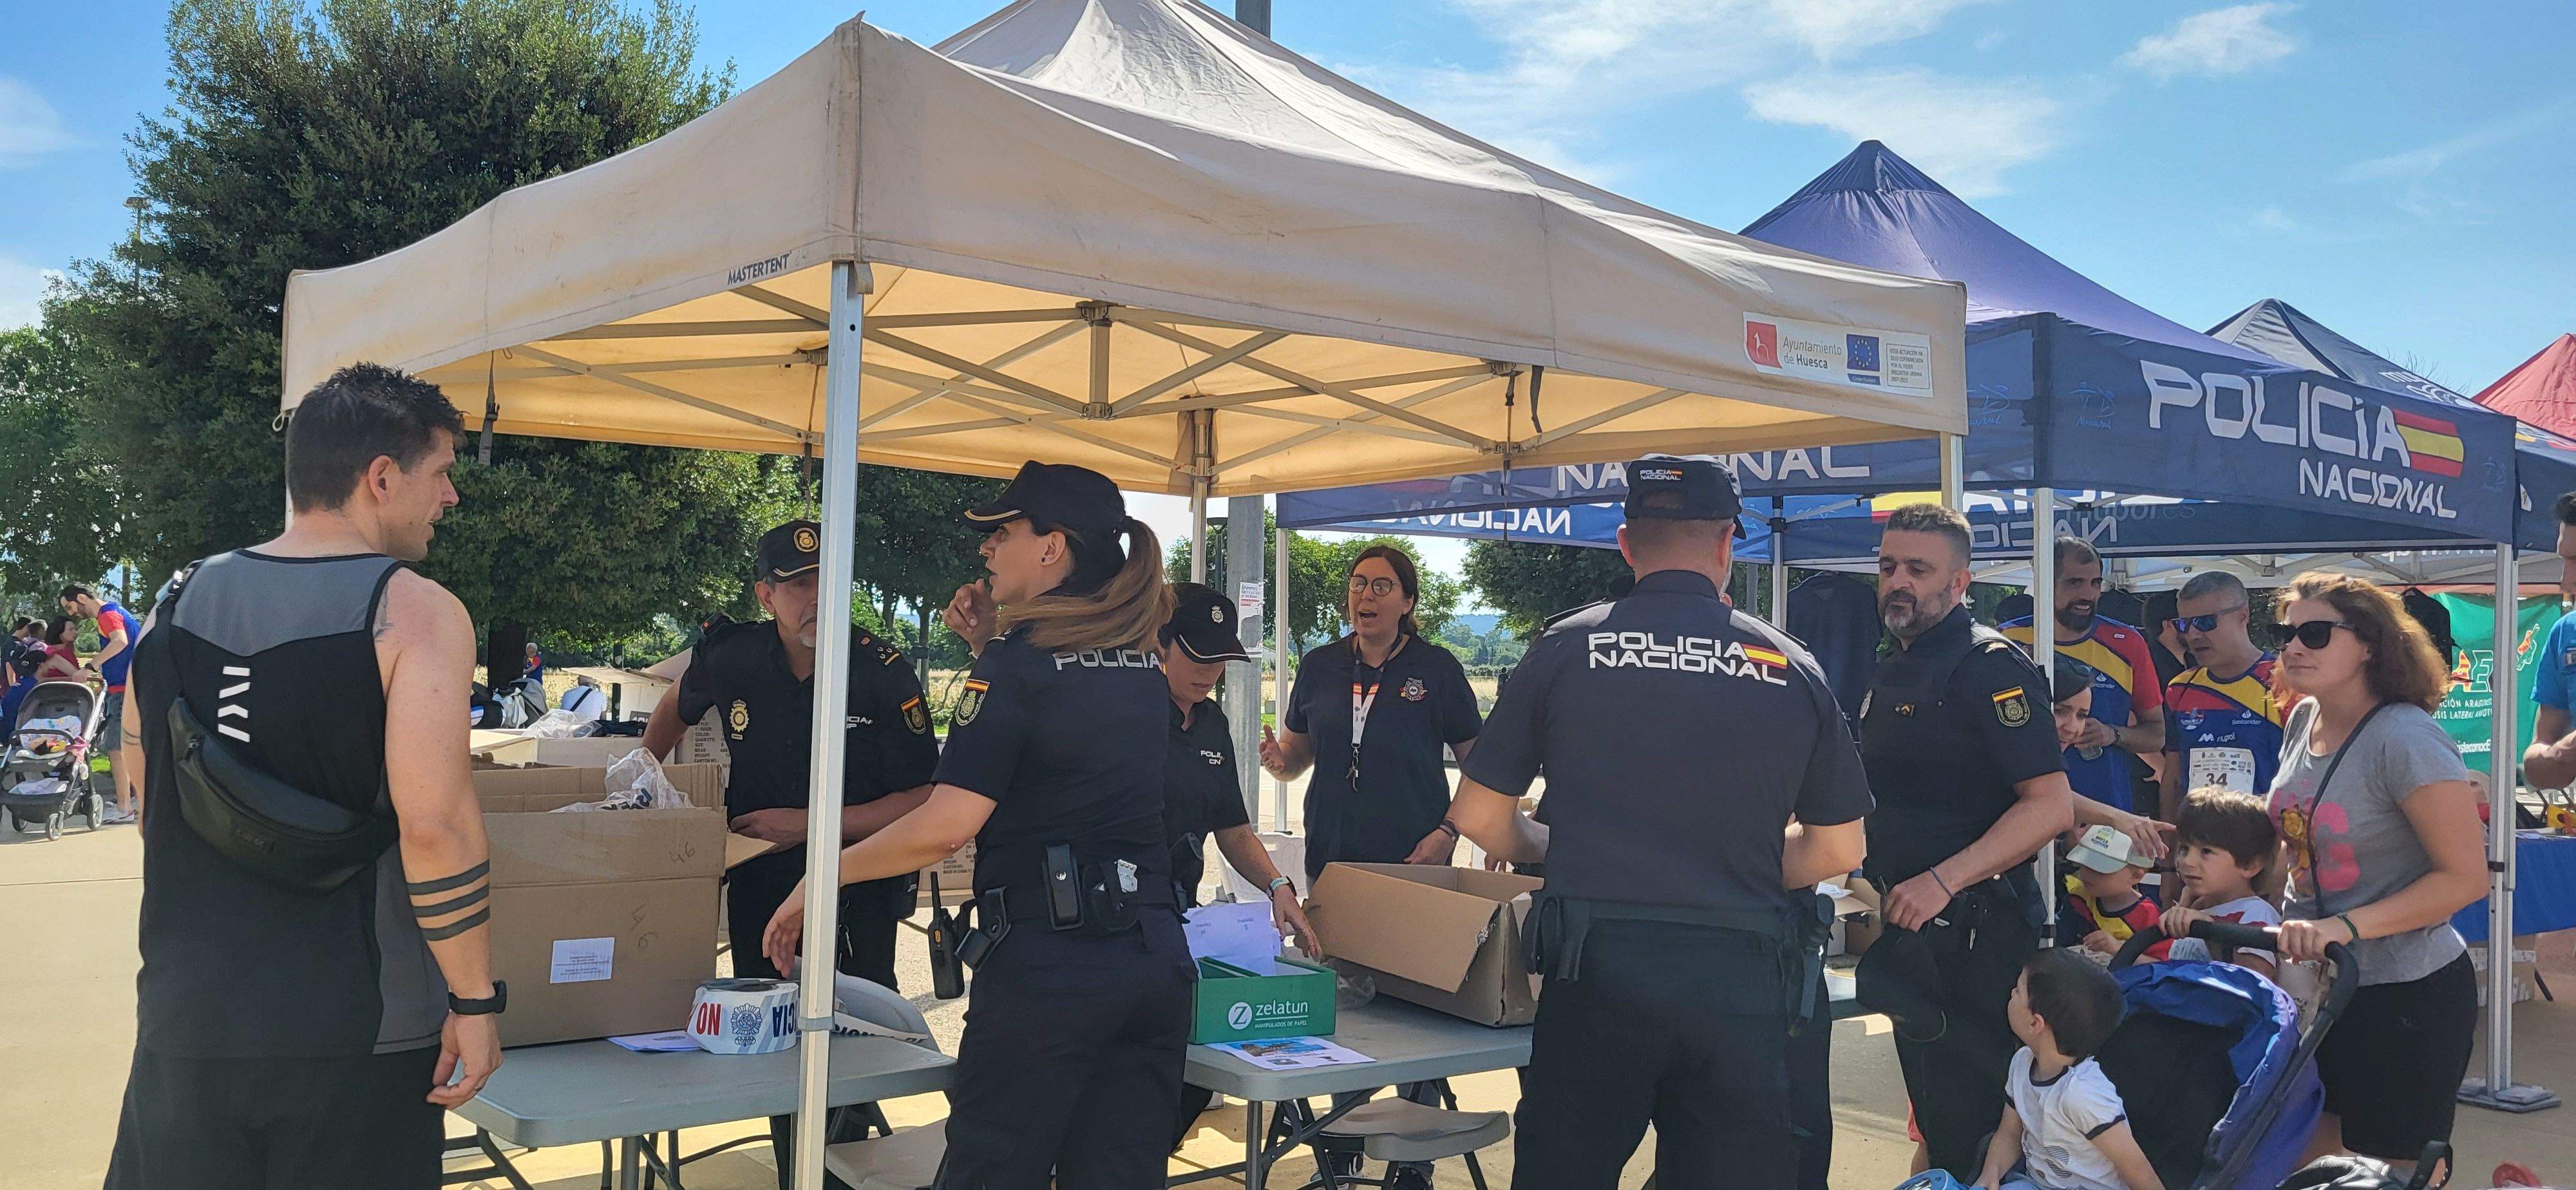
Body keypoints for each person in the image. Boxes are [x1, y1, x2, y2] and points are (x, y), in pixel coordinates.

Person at [105, 364, 499, 1189]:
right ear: (381, 478)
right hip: (356, 1030)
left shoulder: (175, 603)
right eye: (443, 473)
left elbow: (141, 792)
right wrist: (473, 1001)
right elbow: (436, 828)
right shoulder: (415, 611)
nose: (450, 498)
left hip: (187, 1019)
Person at [1442, 455, 1872, 1189]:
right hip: (1739, 980)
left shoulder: (1564, 647)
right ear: (1726, 544)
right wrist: (1720, 858)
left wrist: (1550, 844)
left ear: (1624, 543)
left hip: (1598, 970)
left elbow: (1478, 818)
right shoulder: (1786, 663)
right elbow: (1839, 848)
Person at [764, 460, 1187, 1188]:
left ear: (1052, 547)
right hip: (1149, 959)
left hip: (1051, 976)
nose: (986, 549)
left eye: (1003, 532)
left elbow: (944, 827)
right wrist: (991, 647)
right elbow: (1066, 740)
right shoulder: (1141, 661)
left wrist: (820, 877)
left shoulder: (1017, 669)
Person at [641, 519, 939, 1189]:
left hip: (858, 880)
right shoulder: (733, 655)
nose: (815, 597)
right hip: (761, 885)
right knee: (769, 1034)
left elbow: (926, 797)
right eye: (797, 583)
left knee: (853, 1038)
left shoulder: (881, 670)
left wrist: (812, 825)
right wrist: (637, 773)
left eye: (827, 581)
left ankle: (840, 1173)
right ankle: (792, 1172)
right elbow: (675, 705)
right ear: (765, 596)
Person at [1860, 503, 2076, 1180]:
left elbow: (2049, 806)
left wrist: (1944, 879)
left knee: (1978, 1125)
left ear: (1959, 583)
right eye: (1888, 566)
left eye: (1918, 570)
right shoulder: (1897, 661)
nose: (1899, 581)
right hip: (1915, 937)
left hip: (1977, 939)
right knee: (1937, 1113)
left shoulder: (1989, 665)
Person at [2266, 572, 2485, 1170]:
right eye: (2283, 633)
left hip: (2404, 992)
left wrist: (2346, 928)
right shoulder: (2301, 720)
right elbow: (2298, 846)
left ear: (2369, 643)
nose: (2292, 648)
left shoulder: (2406, 737)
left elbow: (2465, 879)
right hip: (2318, 989)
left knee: (2397, 1169)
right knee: (2314, 1165)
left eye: (2314, 632)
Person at [1157, 581, 1319, 1151]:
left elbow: (1232, 826)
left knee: (1195, 1068)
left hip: (1178, 917)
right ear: (1161, 642)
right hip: (1115, 922)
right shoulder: (1120, 713)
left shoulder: (1211, 723)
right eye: (1198, 656)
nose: (1211, 672)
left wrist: (1278, 885)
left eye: (1222, 660)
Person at [1258, 544, 1481, 880]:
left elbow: (1478, 768)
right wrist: (1279, 760)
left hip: (1415, 861)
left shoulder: (1437, 669)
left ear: (1408, 602)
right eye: (1358, 583)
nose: (1366, 595)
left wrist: (1449, 832)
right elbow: (1297, 756)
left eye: (1382, 586)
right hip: (1330, 859)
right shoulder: (1318, 666)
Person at [1971, 949, 2164, 1190]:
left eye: (2018, 991)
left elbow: (2140, 1172)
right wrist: (1991, 1173)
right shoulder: (2022, 1063)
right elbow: (2009, 1134)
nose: (2012, 992)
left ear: (2035, 1023)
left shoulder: (2081, 1095)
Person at [2002, 538, 2164, 815]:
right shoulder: (2008, 639)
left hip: (2105, 815)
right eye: (2074, 583)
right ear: (2044, 582)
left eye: (2095, 583)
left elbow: (2156, 735)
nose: (2088, 594)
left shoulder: (2127, 642)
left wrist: (2112, 734)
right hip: (2021, 811)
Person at [2160, 572, 2282, 823]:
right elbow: (2172, 778)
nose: (2193, 635)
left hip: (2265, 844)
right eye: (2184, 624)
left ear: (2243, 616)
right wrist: (2169, 850)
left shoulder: (2284, 681)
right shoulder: (2181, 688)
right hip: (2199, 844)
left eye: (2206, 622)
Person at [2155, 788, 2281, 979]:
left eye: (2206, 852)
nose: (2187, 861)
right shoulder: (2193, 908)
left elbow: (2256, 984)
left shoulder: (2255, 913)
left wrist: (2210, 931)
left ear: (2250, 865)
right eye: (2184, 849)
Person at [64, 583, 141, 822]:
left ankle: (124, 808)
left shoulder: (107, 614)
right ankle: (133, 800)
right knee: (132, 747)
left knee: (116, 750)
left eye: (70, 606)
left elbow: (120, 641)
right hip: (133, 684)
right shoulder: (117, 611)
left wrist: (90, 667)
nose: (71, 613)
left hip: (124, 689)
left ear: (81, 598)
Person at [2518, 492, 2576, 789]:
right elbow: (2536, 767)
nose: (2567, 581)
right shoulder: (2566, 632)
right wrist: (2561, 753)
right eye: (2565, 560)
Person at [2059, 826, 2164, 961]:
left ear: (2136, 876)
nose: (2086, 874)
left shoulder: (2149, 917)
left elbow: (2162, 966)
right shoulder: (2077, 900)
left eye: (2099, 869)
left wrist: (2120, 950)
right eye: (2084, 863)